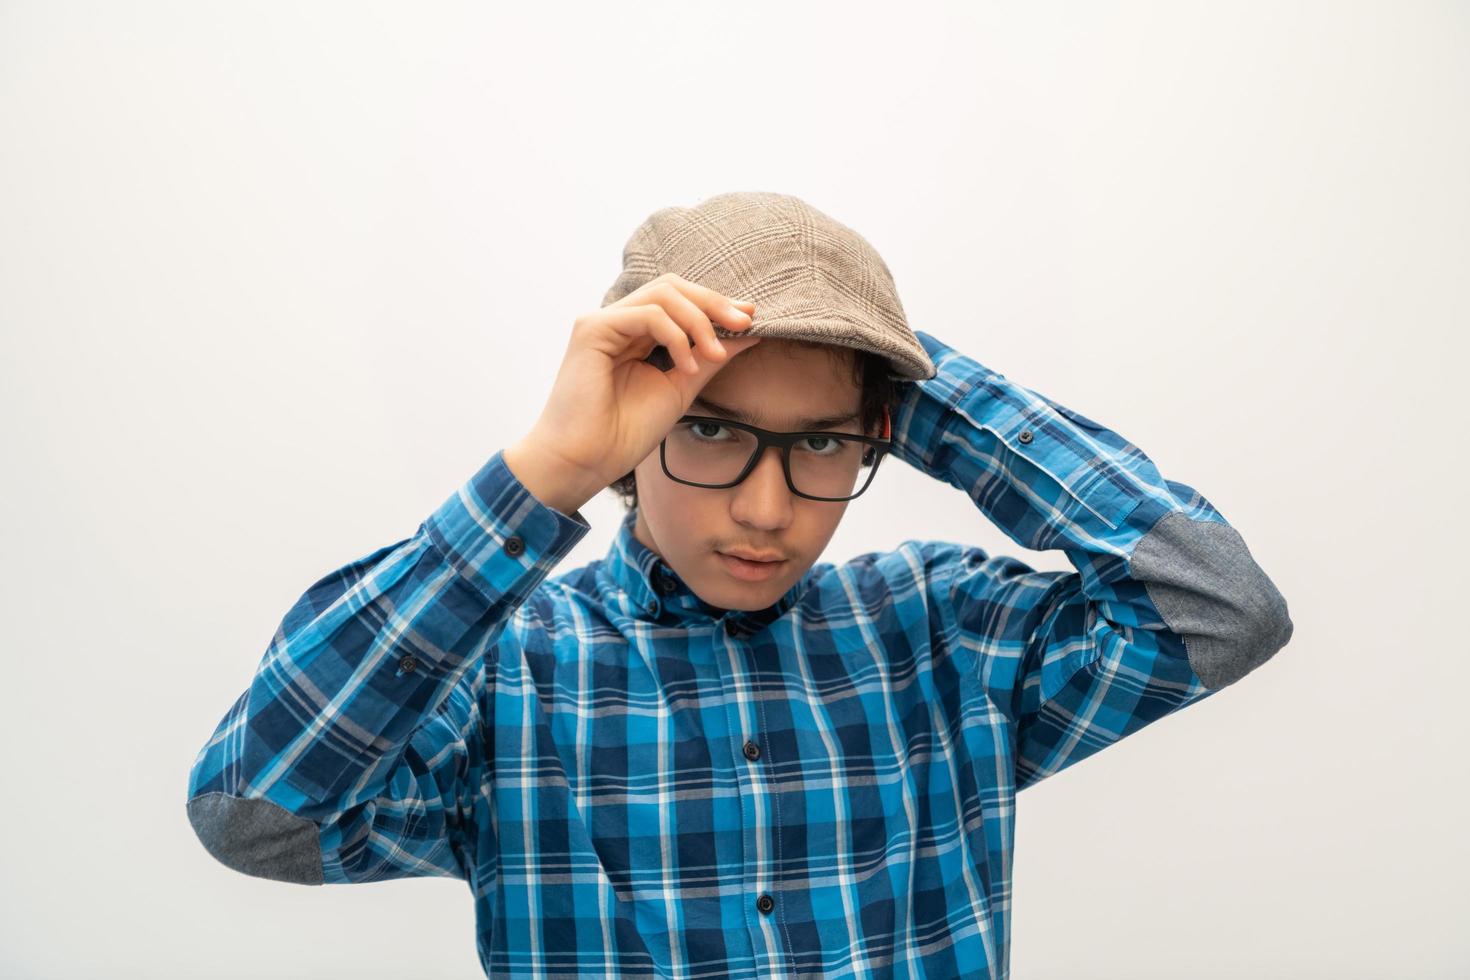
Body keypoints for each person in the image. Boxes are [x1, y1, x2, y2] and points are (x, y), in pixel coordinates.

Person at [186, 191, 1294, 979]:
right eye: (710, 429)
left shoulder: (945, 632)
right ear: (634, 432)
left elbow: (1217, 608)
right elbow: (255, 816)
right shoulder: (508, 678)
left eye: (822, 445)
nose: (768, 509)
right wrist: (544, 473)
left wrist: (912, 373)